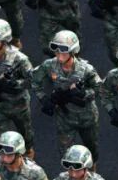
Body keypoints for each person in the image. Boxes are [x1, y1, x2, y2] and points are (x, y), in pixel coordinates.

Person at [32, 30, 101, 161]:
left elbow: (99, 88)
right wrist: (43, 98)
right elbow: (35, 81)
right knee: (65, 155)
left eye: (63, 49)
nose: (59, 53)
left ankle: (91, 171)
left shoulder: (86, 69)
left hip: (86, 117)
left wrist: (85, 94)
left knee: (91, 150)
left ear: (73, 51)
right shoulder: (49, 65)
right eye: (55, 48)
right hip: (64, 118)